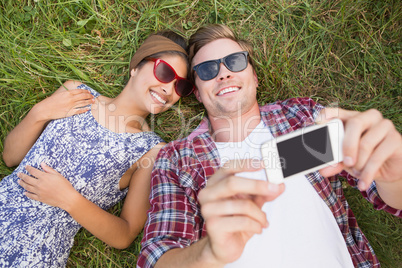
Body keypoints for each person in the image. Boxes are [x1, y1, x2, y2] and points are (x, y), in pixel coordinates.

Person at [138, 24, 402, 268]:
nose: (224, 73)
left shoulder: (300, 117)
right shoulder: (178, 159)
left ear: (253, 76)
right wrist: (208, 252)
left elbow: (385, 193)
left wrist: (394, 172)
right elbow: (158, 256)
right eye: (207, 69)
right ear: (196, 91)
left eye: (235, 61)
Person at [0, 30, 195, 267]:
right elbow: (10, 157)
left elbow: (125, 234)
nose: (169, 89)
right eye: (164, 72)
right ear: (135, 67)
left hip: (34, 253)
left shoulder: (152, 151)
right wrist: (40, 113)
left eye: (181, 86)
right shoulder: (76, 94)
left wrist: (68, 199)